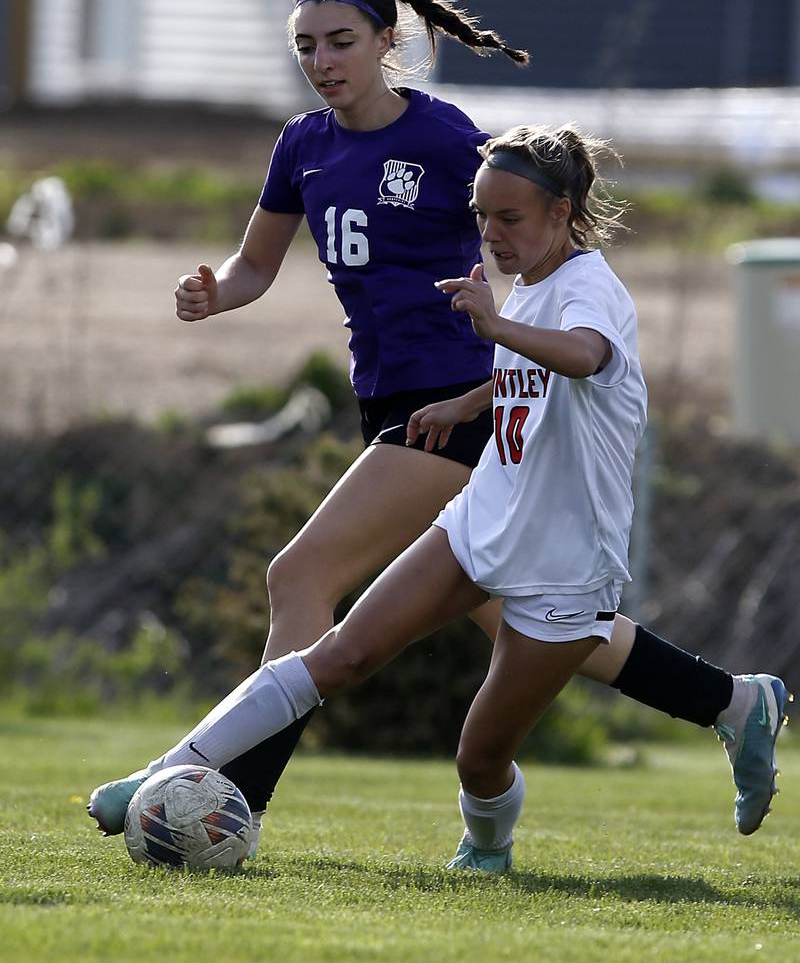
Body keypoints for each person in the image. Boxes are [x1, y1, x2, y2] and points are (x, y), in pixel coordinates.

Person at [89, 122, 788, 866]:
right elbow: (536, 376)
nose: (490, 232)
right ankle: (164, 773)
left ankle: (511, 838)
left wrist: (493, 324)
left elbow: (585, 357)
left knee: (479, 760)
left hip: (563, 556)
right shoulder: (530, 284)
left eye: (509, 218)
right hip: (484, 516)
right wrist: (472, 400)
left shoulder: (592, 290)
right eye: (482, 215)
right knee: (342, 653)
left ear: (563, 210)